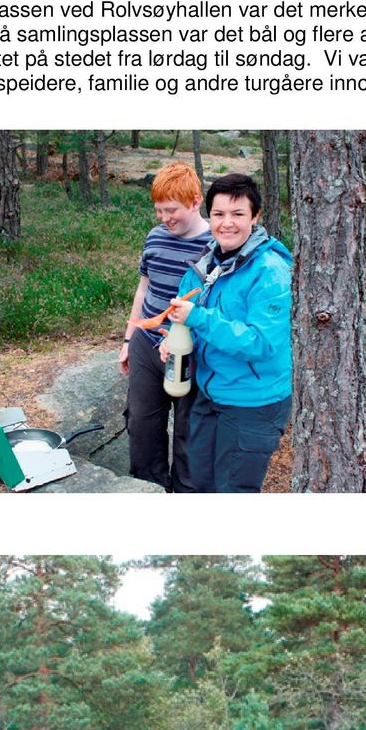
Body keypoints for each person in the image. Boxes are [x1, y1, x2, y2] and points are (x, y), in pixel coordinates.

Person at [160, 172, 293, 493]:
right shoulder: (206, 263)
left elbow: (260, 344)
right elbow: (184, 316)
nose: (227, 223)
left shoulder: (270, 271)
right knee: (199, 482)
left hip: (253, 402)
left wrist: (199, 320)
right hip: (210, 392)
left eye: (238, 214)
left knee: (233, 491)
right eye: (219, 214)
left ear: (255, 217)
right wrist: (172, 338)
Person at [120, 162, 212, 492]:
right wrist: (129, 339)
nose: (164, 218)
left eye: (171, 210)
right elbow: (143, 289)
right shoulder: (155, 237)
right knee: (141, 424)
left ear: (195, 201)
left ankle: (187, 494)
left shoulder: (216, 245)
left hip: (191, 351)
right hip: (147, 344)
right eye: (159, 210)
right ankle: (149, 489)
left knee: (191, 429)